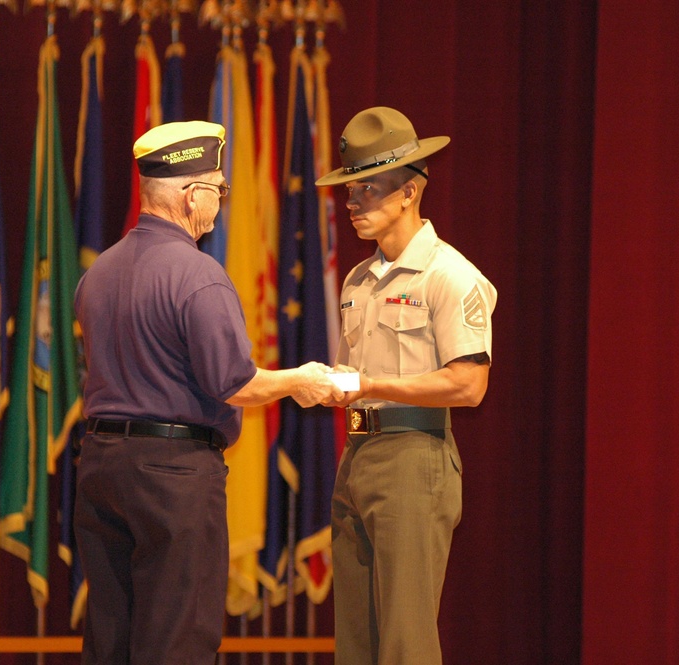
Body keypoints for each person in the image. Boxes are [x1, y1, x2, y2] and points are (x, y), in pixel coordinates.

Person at [73, 120, 344, 665]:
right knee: (177, 638)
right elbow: (235, 382)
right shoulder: (198, 275)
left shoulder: (97, 273)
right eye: (219, 190)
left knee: (110, 639)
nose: (220, 202)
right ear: (192, 194)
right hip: (173, 475)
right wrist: (301, 379)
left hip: (100, 467)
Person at [317, 107, 497, 664]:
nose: (352, 204)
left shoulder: (449, 275)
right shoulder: (357, 280)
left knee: (404, 642)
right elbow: (351, 375)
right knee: (356, 641)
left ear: (409, 193)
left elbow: (469, 385)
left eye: (367, 189)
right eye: (349, 191)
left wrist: (374, 383)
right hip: (359, 453)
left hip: (415, 457)